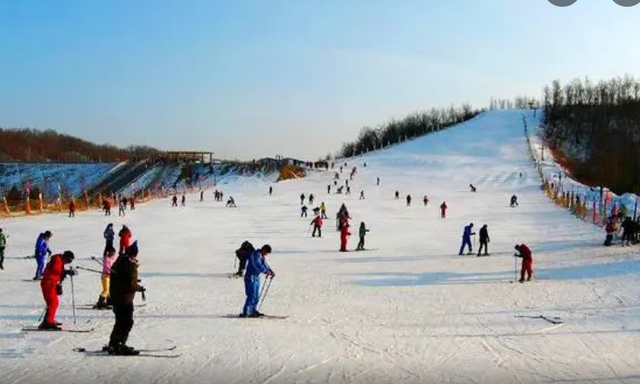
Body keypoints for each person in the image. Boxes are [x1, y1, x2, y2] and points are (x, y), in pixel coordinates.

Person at [106, 241, 145, 355]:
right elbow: (131, 284)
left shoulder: (119, 260)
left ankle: (113, 343)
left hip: (116, 296)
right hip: (125, 298)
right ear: (135, 254)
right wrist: (139, 288)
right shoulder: (131, 265)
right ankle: (119, 344)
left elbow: (119, 277)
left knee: (120, 321)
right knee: (126, 322)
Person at [39, 250, 76, 330]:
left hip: (51, 283)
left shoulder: (59, 260)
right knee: (53, 302)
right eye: (69, 260)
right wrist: (66, 272)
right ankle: (48, 322)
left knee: (52, 302)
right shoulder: (57, 260)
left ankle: (48, 320)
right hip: (48, 283)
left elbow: (58, 271)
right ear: (65, 257)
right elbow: (56, 270)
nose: (68, 262)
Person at [240, 244, 274, 318]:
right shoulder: (255, 255)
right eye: (266, 253)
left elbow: (265, 265)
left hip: (256, 277)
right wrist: (265, 271)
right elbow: (257, 265)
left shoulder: (261, 256)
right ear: (263, 249)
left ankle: (253, 310)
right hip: (250, 277)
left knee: (256, 295)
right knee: (251, 294)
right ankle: (246, 311)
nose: (266, 255)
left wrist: (270, 271)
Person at [94, 245, 118, 309]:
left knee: (110, 289)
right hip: (106, 276)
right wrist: (110, 272)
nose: (113, 254)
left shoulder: (112, 258)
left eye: (114, 253)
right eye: (112, 252)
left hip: (110, 276)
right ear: (109, 252)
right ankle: (100, 302)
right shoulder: (106, 259)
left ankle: (110, 300)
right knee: (106, 290)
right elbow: (107, 267)